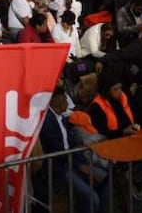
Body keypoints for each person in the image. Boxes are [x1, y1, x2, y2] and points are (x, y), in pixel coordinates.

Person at [34, 85, 111, 213]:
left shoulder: (62, 118)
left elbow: (71, 145)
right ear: (58, 102)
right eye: (65, 99)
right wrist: (81, 166)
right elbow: (59, 151)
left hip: (74, 162)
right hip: (60, 168)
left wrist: (82, 164)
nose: (67, 102)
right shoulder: (47, 123)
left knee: (105, 179)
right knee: (92, 198)